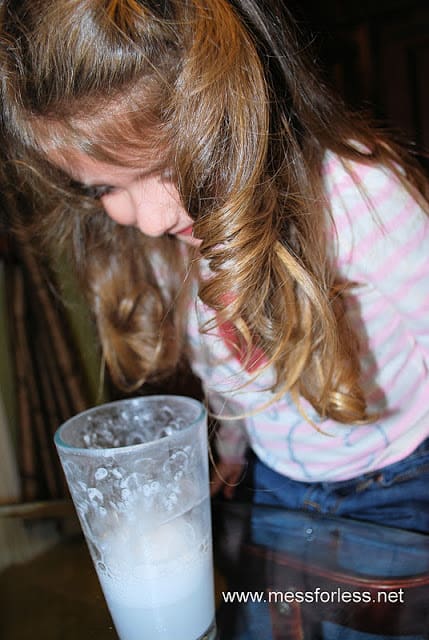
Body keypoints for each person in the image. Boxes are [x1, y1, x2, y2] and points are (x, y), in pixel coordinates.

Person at [1, 0, 429, 537]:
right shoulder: (161, 247)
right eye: (104, 187)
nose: (149, 220)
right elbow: (226, 372)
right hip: (277, 481)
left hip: (401, 479)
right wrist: (231, 451)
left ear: (238, 115)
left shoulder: (356, 193)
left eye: (171, 168)